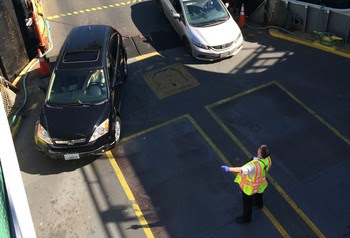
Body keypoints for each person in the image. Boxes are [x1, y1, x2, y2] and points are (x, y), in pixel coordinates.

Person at [221, 144, 272, 223]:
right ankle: (259, 204)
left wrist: (229, 169)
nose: (258, 148)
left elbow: (241, 170)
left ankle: (246, 218)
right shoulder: (268, 159)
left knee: (247, 203)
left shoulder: (253, 166)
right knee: (259, 194)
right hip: (260, 183)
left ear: (260, 153)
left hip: (250, 187)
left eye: (259, 148)